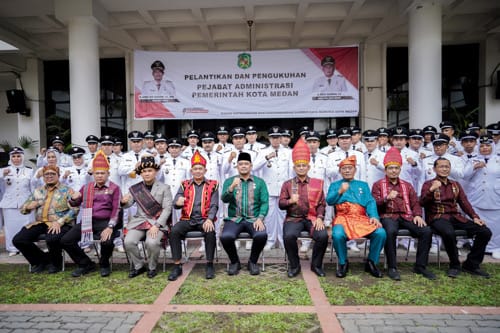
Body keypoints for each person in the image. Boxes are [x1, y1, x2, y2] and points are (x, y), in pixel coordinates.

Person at [420, 157, 492, 278]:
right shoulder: (429, 184)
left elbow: (464, 202)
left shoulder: (455, 184)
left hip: (455, 217)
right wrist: (431, 190)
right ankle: (454, 265)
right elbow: (421, 202)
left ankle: (471, 264)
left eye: (447, 167)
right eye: (441, 166)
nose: (444, 169)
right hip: (437, 218)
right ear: (434, 169)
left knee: (485, 231)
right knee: (449, 233)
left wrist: (474, 217)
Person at [372, 147, 435, 280]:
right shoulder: (378, 185)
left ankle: (420, 266)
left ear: (400, 169)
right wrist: (386, 198)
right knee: (389, 232)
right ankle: (392, 267)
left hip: (406, 216)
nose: (393, 170)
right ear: (385, 170)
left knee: (426, 231)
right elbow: (374, 204)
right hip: (388, 216)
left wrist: (417, 215)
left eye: (396, 168)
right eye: (390, 168)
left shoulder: (407, 185)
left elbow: (415, 203)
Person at [61, 151, 121, 277]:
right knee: (66, 240)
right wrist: (73, 198)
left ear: (108, 174)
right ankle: (85, 264)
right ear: (93, 174)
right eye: (97, 173)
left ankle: (104, 264)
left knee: (107, 242)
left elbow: (117, 209)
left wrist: (110, 227)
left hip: (106, 222)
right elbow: (74, 204)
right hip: (88, 221)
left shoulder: (114, 188)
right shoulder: (86, 187)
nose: (99, 176)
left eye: (102, 173)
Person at [326, 155, 386, 278]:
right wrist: (340, 192)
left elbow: (370, 201)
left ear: (355, 170)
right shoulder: (335, 185)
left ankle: (371, 262)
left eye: (350, 168)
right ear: (340, 171)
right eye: (344, 168)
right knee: (337, 235)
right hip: (343, 218)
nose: (347, 170)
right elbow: (329, 201)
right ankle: (343, 263)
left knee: (380, 233)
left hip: (361, 218)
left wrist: (374, 216)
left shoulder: (363, 185)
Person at [13, 165, 78, 273]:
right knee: (19, 240)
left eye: (52, 174)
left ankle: (56, 263)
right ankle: (41, 260)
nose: (49, 176)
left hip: (60, 223)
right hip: (40, 223)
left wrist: (59, 222)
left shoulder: (67, 190)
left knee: (52, 238)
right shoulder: (37, 191)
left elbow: (75, 210)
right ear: (43, 177)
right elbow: (23, 209)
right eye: (46, 174)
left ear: (58, 175)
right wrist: (28, 207)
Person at [279, 139, 328, 277]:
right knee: (289, 236)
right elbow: (281, 204)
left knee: (323, 236)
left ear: (308, 167)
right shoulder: (288, 184)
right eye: (298, 166)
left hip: (312, 218)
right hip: (294, 219)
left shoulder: (316, 184)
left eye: (303, 165)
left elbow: (322, 204)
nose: (301, 168)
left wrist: (319, 218)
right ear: (294, 168)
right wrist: (289, 201)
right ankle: (295, 266)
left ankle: (316, 265)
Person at [168, 151, 219, 281]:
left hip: (204, 219)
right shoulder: (184, 184)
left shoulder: (213, 184)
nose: (197, 171)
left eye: (200, 169)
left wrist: (210, 219)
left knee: (210, 231)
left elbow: (214, 205)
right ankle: (177, 265)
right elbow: (176, 202)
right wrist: (178, 203)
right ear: (191, 170)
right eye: (195, 169)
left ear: (205, 170)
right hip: (187, 219)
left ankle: (209, 264)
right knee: (174, 231)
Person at [122, 156, 172, 278]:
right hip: (139, 222)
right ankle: (138, 266)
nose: (147, 173)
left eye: (149, 170)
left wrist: (157, 225)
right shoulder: (136, 188)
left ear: (155, 172)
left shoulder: (165, 187)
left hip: (157, 222)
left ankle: (152, 267)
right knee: (128, 241)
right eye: (144, 171)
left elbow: (167, 209)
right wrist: (123, 202)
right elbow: (127, 205)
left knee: (152, 243)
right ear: (140, 173)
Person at [220, 152, 269, 276]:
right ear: (237, 166)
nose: (243, 166)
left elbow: (264, 202)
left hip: (253, 219)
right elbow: (224, 199)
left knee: (261, 235)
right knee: (226, 237)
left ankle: (252, 262)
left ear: (251, 166)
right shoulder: (230, 181)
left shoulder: (260, 182)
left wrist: (260, 218)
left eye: (246, 164)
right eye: (240, 164)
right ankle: (234, 262)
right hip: (234, 219)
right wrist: (231, 188)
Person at [253, 126, 293, 250]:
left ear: (281, 138)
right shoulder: (263, 151)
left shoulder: (288, 152)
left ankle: (282, 240)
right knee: (269, 217)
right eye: (273, 138)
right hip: (268, 189)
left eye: (277, 137)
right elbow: (254, 168)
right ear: (269, 138)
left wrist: (291, 188)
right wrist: (266, 158)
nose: (275, 140)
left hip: (283, 189)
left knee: (283, 216)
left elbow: (291, 171)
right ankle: (270, 240)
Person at [462, 135, 500, 259]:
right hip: (476, 197)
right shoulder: (473, 159)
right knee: (477, 222)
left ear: (492, 146)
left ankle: (495, 247)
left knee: (495, 223)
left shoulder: (498, 160)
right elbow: (464, 175)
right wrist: (474, 167)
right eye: (482, 146)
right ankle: (477, 246)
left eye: (487, 145)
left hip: (494, 197)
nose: (484, 148)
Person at [0, 147, 33, 256]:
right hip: (9, 202)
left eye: (18, 156)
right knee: (10, 227)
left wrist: (32, 202)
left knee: (26, 226)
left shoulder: (29, 170)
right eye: (13, 156)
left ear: (22, 157)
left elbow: (32, 187)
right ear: (10, 158)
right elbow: (2, 188)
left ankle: (26, 247)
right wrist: (2, 175)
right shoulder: (3, 170)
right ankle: (12, 248)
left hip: (25, 202)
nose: (16, 159)